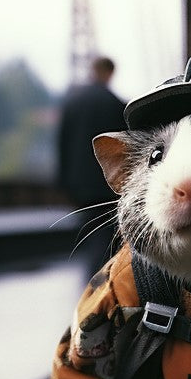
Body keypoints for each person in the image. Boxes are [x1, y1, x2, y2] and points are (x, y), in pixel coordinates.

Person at [56, 56, 126, 275]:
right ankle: (101, 278)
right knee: (105, 232)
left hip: (78, 181)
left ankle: (91, 274)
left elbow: (62, 142)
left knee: (87, 226)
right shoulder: (116, 104)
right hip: (106, 182)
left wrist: (62, 179)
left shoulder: (72, 103)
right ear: (109, 73)